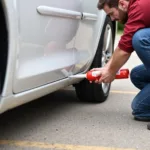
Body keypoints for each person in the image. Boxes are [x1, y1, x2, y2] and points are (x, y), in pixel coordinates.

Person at [93, 0, 150, 122]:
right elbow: (123, 46)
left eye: (112, 14)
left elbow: (124, 50)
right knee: (137, 75)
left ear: (122, 4)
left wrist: (111, 72)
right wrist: (107, 68)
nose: (112, 19)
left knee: (141, 38)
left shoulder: (139, 7)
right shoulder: (137, 5)